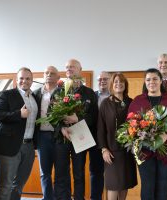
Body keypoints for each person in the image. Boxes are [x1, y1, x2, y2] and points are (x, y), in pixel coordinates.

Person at [129, 68, 167, 200]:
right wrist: (139, 132)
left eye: (155, 79)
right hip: (143, 150)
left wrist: (166, 135)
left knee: (163, 186)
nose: (151, 82)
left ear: (161, 81)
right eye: (148, 79)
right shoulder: (137, 100)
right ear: (145, 82)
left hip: (165, 151)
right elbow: (130, 121)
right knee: (147, 186)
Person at [55, 59, 103, 200]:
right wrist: (61, 128)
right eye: (67, 67)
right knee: (61, 173)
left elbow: (94, 117)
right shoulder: (58, 91)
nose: (69, 69)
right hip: (62, 137)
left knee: (79, 174)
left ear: (80, 70)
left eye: (72, 67)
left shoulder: (89, 93)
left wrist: (78, 119)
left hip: (81, 136)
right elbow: (51, 115)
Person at [0, 67, 38, 200]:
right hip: (9, 146)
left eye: (28, 78)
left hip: (28, 147)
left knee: (18, 185)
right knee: (5, 185)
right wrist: (19, 114)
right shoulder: (6, 94)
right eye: (21, 78)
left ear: (32, 80)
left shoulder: (34, 97)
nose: (24, 81)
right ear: (17, 80)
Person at [97, 73, 137, 200]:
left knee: (124, 184)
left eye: (121, 82)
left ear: (125, 85)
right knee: (113, 185)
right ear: (112, 85)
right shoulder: (105, 104)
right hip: (111, 151)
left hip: (127, 150)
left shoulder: (131, 102)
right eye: (116, 82)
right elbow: (100, 129)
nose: (119, 84)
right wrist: (104, 149)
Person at [33, 66, 60, 200]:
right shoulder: (35, 93)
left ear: (58, 78)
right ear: (43, 75)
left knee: (60, 171)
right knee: (45, 173)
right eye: (46, 73)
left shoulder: (64, 94)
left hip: (60, 137)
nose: (49, 75)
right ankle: (48, 198)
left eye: (52, 73)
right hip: (42, 137)